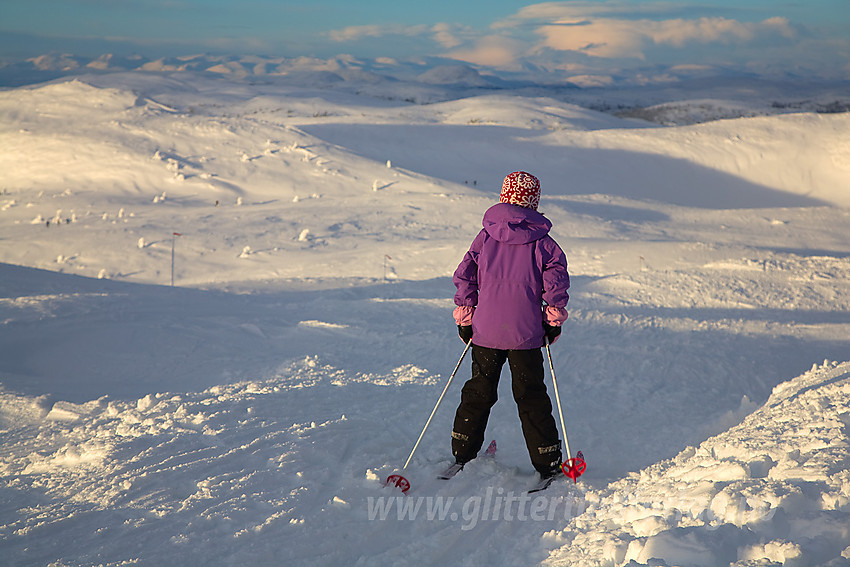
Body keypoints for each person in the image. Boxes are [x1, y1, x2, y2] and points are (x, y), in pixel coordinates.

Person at [451, 171, 570, 480]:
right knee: (530, 395)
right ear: (534, 202)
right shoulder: (544, 244)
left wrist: (466, 317)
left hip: (486, 333)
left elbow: (465, 276)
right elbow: (555, 285)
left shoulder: (485, 237)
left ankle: (462, 452)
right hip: (526, 336)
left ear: (504, 197)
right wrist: (552, 321)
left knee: (479, 390)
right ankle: (547, 461)